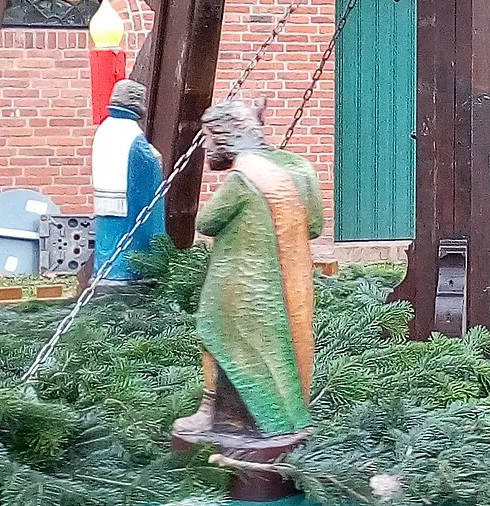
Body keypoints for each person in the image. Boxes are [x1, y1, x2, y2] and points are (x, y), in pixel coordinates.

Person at [172, 100, 324, 457]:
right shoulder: (300, 168)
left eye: (210, 138)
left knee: (217, 337)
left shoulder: (242, 179)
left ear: (227, 138)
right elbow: (314, 225)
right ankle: (280, 417)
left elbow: (206, 222)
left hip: (238, 285)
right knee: (275, 350)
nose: (208, 147)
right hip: (289, 285)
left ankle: (214, 413)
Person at [91, 80, 168, 283]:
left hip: (105, 201)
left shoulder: (104, 128)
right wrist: (156, 159)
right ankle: (125, 275)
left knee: (107, 245)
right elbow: (146, 164)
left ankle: (107, 273)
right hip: (128, 204)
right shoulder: (131, 133)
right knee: (128, 249)